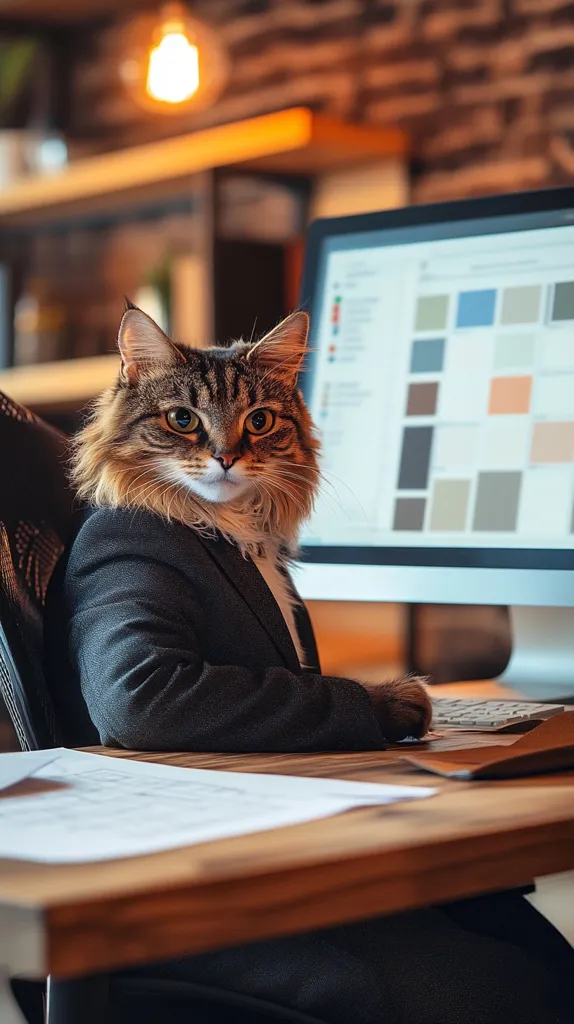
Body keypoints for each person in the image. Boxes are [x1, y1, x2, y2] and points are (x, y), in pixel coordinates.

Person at [45, 306, 574, 1024]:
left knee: (529, 949)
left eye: (258, 423)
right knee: (504, 984)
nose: (226, 449)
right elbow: (140, 698)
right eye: (183, 423)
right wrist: (361, 707)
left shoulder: (242, 539)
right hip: (197, 894)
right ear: (131, 393)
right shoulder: (133, 534)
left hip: (268, 846)